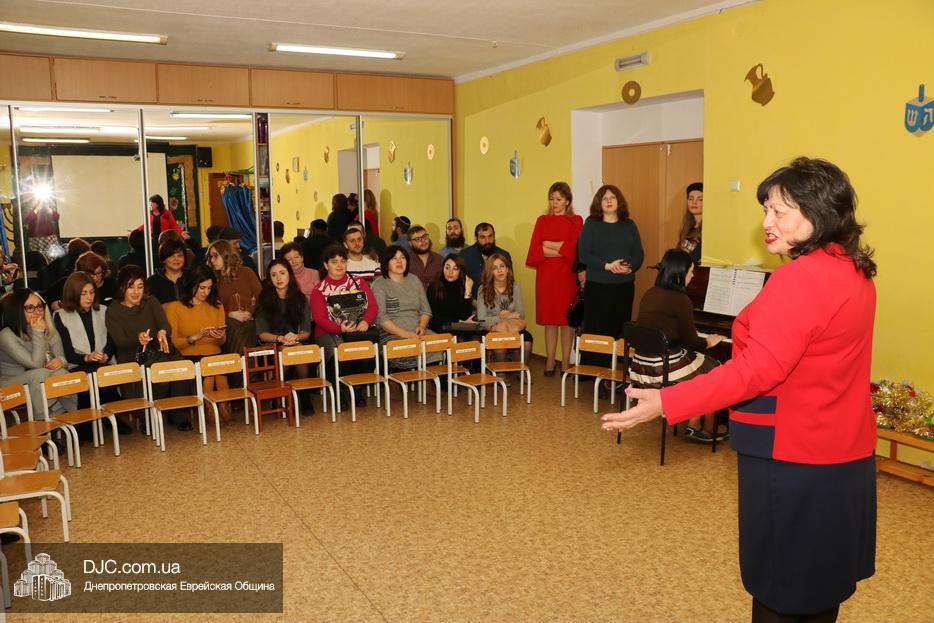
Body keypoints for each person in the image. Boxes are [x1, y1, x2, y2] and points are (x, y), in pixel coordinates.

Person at [601, 158, 878, 623]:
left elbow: (756, 371)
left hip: (791, 454)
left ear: (818, 213)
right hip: (841, 452)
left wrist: (667, 399)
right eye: (766, 209)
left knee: (780, 587)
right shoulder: (853, 270)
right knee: (819, 583)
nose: (766, 222)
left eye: (779, 212)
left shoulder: (801, 278)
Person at [631, 249, 726, 440]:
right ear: (679, 273)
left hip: (639, 366)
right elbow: (692, 342)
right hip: (662, 368)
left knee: (699, 364)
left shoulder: (650, 293)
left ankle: (694, 421)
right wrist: (709, 340)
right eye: (691, 271)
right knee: (715, 369)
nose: (693, 275)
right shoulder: (680, 299)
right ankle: (706, 428)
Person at [106, 265, 192, 430]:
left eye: (140, 287)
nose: (136, 292)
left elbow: (166, 326)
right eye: (131, 287)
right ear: (122, 287)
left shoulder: (150, 301)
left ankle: (177, 413)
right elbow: (120, 342)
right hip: (133, 357)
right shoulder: (113, 311)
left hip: (158, 351)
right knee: (158, 373)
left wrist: (162, 332)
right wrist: (137, 338)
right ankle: (147, 416)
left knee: (180, 367)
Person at [577, 184, 644, 364]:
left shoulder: (629, 225)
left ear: (618, 201)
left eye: (612, 197)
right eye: (604, 198)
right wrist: (607, 266)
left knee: (619, 330)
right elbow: (584, 255)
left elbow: (639, 254)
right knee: (597, 331)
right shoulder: (591, 224)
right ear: (598, 203)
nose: (608, 201)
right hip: (598, 288)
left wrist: (630, 268)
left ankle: (615, 371)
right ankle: (593, 371)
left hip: (624, 288)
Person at [525, 182, 583, 375]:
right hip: (547, 276)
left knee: (567, 320)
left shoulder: (576, 220)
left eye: (558, 199)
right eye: (551, 199)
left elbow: (574, 249)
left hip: (567, 276)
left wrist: (548, 244)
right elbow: (535, 249)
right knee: (549, 320)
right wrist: (562, 248)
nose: (554, 203)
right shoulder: (542, 220)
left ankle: (565, 361)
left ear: (567, 201)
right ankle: (550, 360)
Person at [309, 245, 378, 406]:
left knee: (368, 353)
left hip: (358, 329)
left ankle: (357, 389)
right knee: (339, 353)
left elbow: (373, 306)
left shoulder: (358, 282)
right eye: (334, 262)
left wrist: (366, 321)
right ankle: (338, 390)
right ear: (326, 265)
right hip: (328, 332)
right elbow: (320, 319)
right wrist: (340, 328)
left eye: (343, 261)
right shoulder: (319, 290)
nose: (340, 265)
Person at [53, 272, 122, 429]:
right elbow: (67, 353)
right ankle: (88, 424)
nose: (89, 297)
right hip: (76, 365)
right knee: (89, 376)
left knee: (104, 373)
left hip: (102, 362)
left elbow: (111, 341)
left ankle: (109, 418)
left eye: (91, 292)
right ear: (73, 294)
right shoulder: (60, 316)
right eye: (83, 293)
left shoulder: (103, 310)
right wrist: (87, 358)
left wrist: (106, 355)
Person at [164, 264, 229, 421]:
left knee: (220, 373)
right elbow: (173, 344)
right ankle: (211, 410)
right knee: (210, 374)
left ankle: (223, 407)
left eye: (209, 288)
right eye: (202, 288)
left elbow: (222, 342)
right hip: (189, 355)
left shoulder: (217, 306)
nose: (206, 292)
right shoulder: (175, 308)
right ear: (192, 286)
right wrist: (194, 337)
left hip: (214, 353)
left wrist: (219, 336)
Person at [0, 289, 76, 417]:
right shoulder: (6, 336)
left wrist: (60, 361)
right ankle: (43, 419)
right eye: (30, 308)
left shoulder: (48, 330)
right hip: (10, 383)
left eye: (39, 306)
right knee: (39, 374)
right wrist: (37, 332)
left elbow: (63, 360)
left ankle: (70, 415)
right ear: (18, 310)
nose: (37, 311)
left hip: (40, 378)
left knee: (61, 373)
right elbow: (36, 364)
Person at [371, 246, 436, 368]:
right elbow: (381, 319)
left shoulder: (414, 280)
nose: (399, 261)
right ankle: (408, 375)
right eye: (394, 258)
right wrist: (406, 334)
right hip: (391, 334)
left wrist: (422, 326)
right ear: (386, 263)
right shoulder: (379, 284)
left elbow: (426, 310)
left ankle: (432, 377)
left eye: (403, 258)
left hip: (418, 331)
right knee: (409, 349)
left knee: (441, 343)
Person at [207, 239, 261, 357]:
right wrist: (229, 314)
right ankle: (244, 365)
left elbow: (261, 299)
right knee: (235, 326)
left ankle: (240, 364)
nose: (212, 260)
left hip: (251, 322)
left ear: (226, 255)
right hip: (227, 325)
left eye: (215, 256)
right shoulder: (213, 280)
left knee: (245, 327)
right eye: (210, 257)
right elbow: (210, 308)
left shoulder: (246, 272)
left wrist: (249, 313)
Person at [475, 253, 532, 361]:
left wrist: (507, 316)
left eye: (502, 266)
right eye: (494, 268)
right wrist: (502, 317)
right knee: (500, 346)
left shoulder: (515, 287)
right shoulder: (483, 289)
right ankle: (499, 369)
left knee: (527, 343)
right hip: (491, 327)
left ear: (507, 269)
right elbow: (482, 319)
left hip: (513, 327)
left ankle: (520, 369)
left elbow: (521, 314)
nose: (499, 270)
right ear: (490, 272)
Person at [255, 259, 311, 348]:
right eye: (274, 275)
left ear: (289, 274)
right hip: (273, 344)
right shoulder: (263, 299)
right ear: (270, 278)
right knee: (286, 351)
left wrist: (296, 337)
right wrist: (280, 338)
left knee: (300, 350)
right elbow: (263, 335)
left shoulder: (301, 298)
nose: (278, 278)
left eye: (282, 273)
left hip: (295, 343)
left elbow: (306, 333)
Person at [43, 250, 116, 309]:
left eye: (98, 273)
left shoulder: (112, 284)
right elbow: (45, 298)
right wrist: (58, 305)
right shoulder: (68, 283)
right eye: (90, 274)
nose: (95, 278)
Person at [426, 254, 476, 334]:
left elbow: (466, 317)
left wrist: (468, 291)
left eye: (455, 269)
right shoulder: (433, 288)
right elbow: (435, 318)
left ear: (461, 271)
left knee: (475, 336)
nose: (450, 272)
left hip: (460, 329)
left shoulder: (464, 286)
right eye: (447, 267)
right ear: (443, 268)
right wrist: (460, 321)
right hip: (441, 328)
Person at [461, 222, 512, 297]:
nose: (487, 241)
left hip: (501, 301)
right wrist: (471, 300)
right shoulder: (464, 255)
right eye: (483, 237)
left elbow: (510, 282)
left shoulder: (504, 255)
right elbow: (460, 285)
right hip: (473, 301)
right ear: (476, 238)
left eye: (490, 236)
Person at [145, 239, 188, 305]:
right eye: (171, 256)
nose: (176, 259)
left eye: (180, 255)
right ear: (163, 259)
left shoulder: (192, 278)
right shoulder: (152, 282)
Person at [678, 182, 704, 264]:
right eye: (690, 199)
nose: (694, 202)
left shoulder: (709, 229)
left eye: (700, 199)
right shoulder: (687, 226)